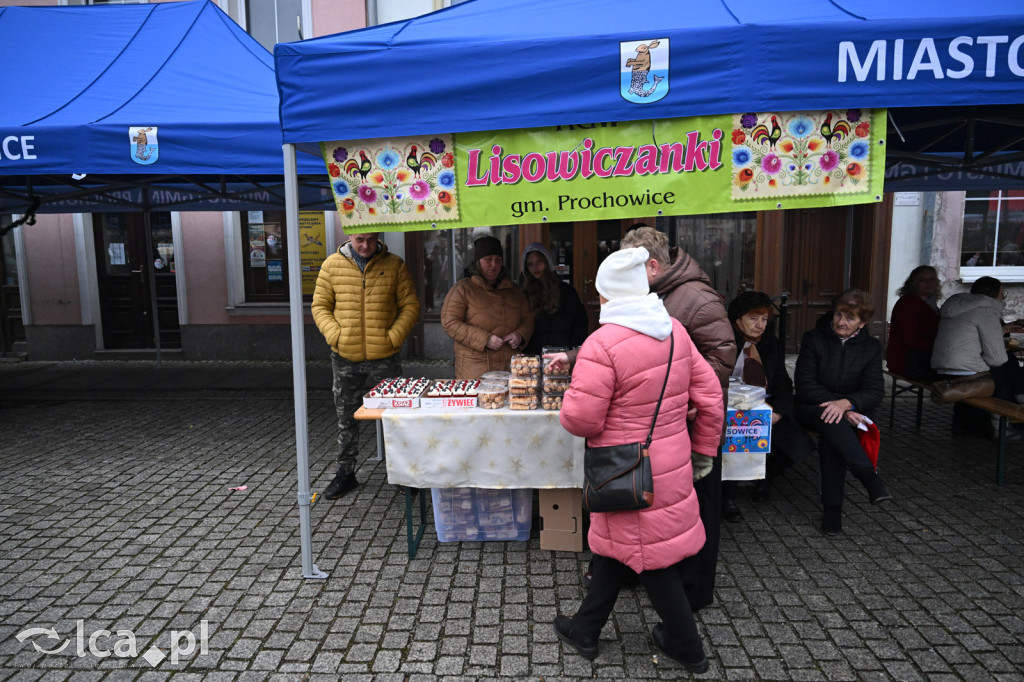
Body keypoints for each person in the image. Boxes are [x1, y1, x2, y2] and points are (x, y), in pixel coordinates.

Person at [552, 247, 723, 672]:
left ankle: (688, 647)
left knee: (650, 559)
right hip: (668, 465)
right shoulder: (675, 332)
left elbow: (580, 420)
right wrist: (703, 451)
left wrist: (571, 394)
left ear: (608, 294)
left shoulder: (602, 343)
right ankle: (584, 629)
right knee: (618, 547)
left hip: (624, 470)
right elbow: (711, 398)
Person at [620, 224, 736, 613]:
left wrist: (682, 397)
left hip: (694, 425)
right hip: (667, 425)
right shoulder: (659, 294)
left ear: (651, 265)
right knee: (669, 510)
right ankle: (663, 580)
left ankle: (695, 594)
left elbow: (721, 359)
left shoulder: (697, 299)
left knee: (700, 510)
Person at [311, 232, 421, 499]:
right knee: (346, 418)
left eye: (371, 240)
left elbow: (410, 305)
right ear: (351, 236)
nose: (366, 246)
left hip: (384, 357)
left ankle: (403, 475)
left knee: (395, 417)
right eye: (360, 239)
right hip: (345, 357)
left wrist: (392, 337)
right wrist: (335, 335)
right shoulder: (331, 265)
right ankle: (345, 474)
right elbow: (320, 306)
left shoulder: (394, 264)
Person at [794, 289, 889, 535]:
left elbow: (875, 390)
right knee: (833, 420)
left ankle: (832, 512)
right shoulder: (813, 338)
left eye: (850, 318)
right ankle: (868, 477)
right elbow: (805, 384)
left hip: (851, 411)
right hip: (811, 406)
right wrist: (840, 407)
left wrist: (847, 404)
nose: (841, 322)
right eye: (838, 314)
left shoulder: (871, 347)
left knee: (833, 432)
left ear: (863, 322)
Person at [722, 291, 816, 516]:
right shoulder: (723, 341)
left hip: (765, 405)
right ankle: (726, 495)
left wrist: (780, 412)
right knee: (734, 439)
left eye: (764, 319)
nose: (760, 325)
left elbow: (782, 380)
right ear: (737, 319)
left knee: (797, 444)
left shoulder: (769, 343)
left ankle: (766, 478)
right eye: (753, 319)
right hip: (729, 406)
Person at [931, 276, 1024, 437]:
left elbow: (969, 337)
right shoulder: (987, 312)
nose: (1003, 297)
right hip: (965, 372)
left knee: (1009, 366)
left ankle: (968, 423)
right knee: (1006, 372)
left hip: (942, 368)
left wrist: (1001, 331)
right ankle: (1003, 428)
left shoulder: (958, 306)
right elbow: (997, 359)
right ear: (995, 294)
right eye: (1003, 292)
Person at [441, 236, 534, 380]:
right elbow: (450, 322)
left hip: (509, 367)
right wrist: (485, 339)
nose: (493, 265)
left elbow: (528, 318)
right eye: (488, 259)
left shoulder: (515, 291)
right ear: (478, 262)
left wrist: (520, 335)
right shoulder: (463, 289)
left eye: (498, 259)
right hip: (475, 369)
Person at [519, 241, 589, 354]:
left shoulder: (567, 291)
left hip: (564, 354)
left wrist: (573, 351)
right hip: (533, 357)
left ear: (547, 262)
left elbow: (580, 323)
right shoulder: (523, 294)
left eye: (539, 262)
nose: (535, 267)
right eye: (530, 264)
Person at [886, 265, 940, 380]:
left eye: (932, 279)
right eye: (922, 280)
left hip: (922, 356)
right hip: (908, 360)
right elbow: (909, 337)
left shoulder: (930, 302)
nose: (928, 283)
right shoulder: (908, 303)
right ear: (914, 283)